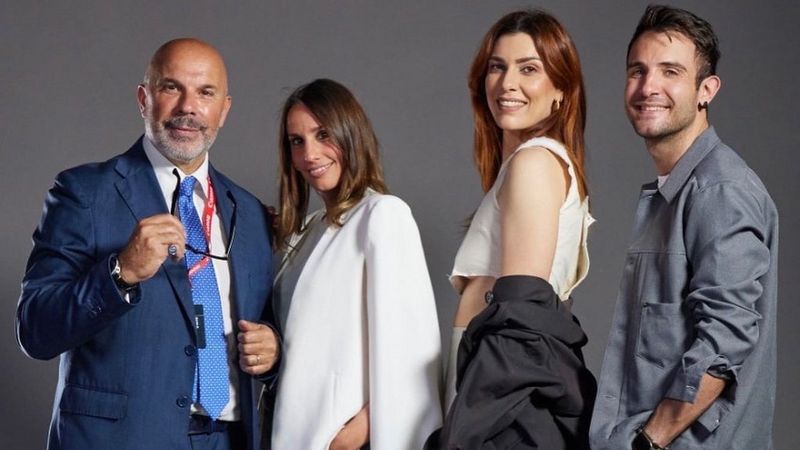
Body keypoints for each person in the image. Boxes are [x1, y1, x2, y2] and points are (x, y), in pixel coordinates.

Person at [16, 38, 278, 450]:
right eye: (172, 87)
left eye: (205, 92)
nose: (188, 107)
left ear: (224, 110)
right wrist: (120, 274)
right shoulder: (84, 193)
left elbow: (266, 326)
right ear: (144, 98)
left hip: (229, 440)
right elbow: (35, 331)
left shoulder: (249, 212)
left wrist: (273, 352)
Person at [590, 5, 779, 450]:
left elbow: (725, 338)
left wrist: (650, 441)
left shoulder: (720, 190)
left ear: (705, 90)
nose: (648, 87)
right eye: (637, 71)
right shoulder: (677, 190)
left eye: (670, 71)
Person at [440, 9, 596, 448]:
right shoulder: (530, 164)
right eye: (497, 66)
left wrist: (466, 429)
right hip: (494, 381)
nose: (507, 83)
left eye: (529, 68)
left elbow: (522, 315)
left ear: (561, 90)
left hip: (500, 392)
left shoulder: (534, 162)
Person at [264, 78, 442, 450]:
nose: (310, 154)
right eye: (297, 141)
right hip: (295, 433)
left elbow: (411, 348)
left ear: (350, 133)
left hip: (346, 439)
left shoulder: (383, 215)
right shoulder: (308, 233)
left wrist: (357, 433)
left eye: (323, 134)